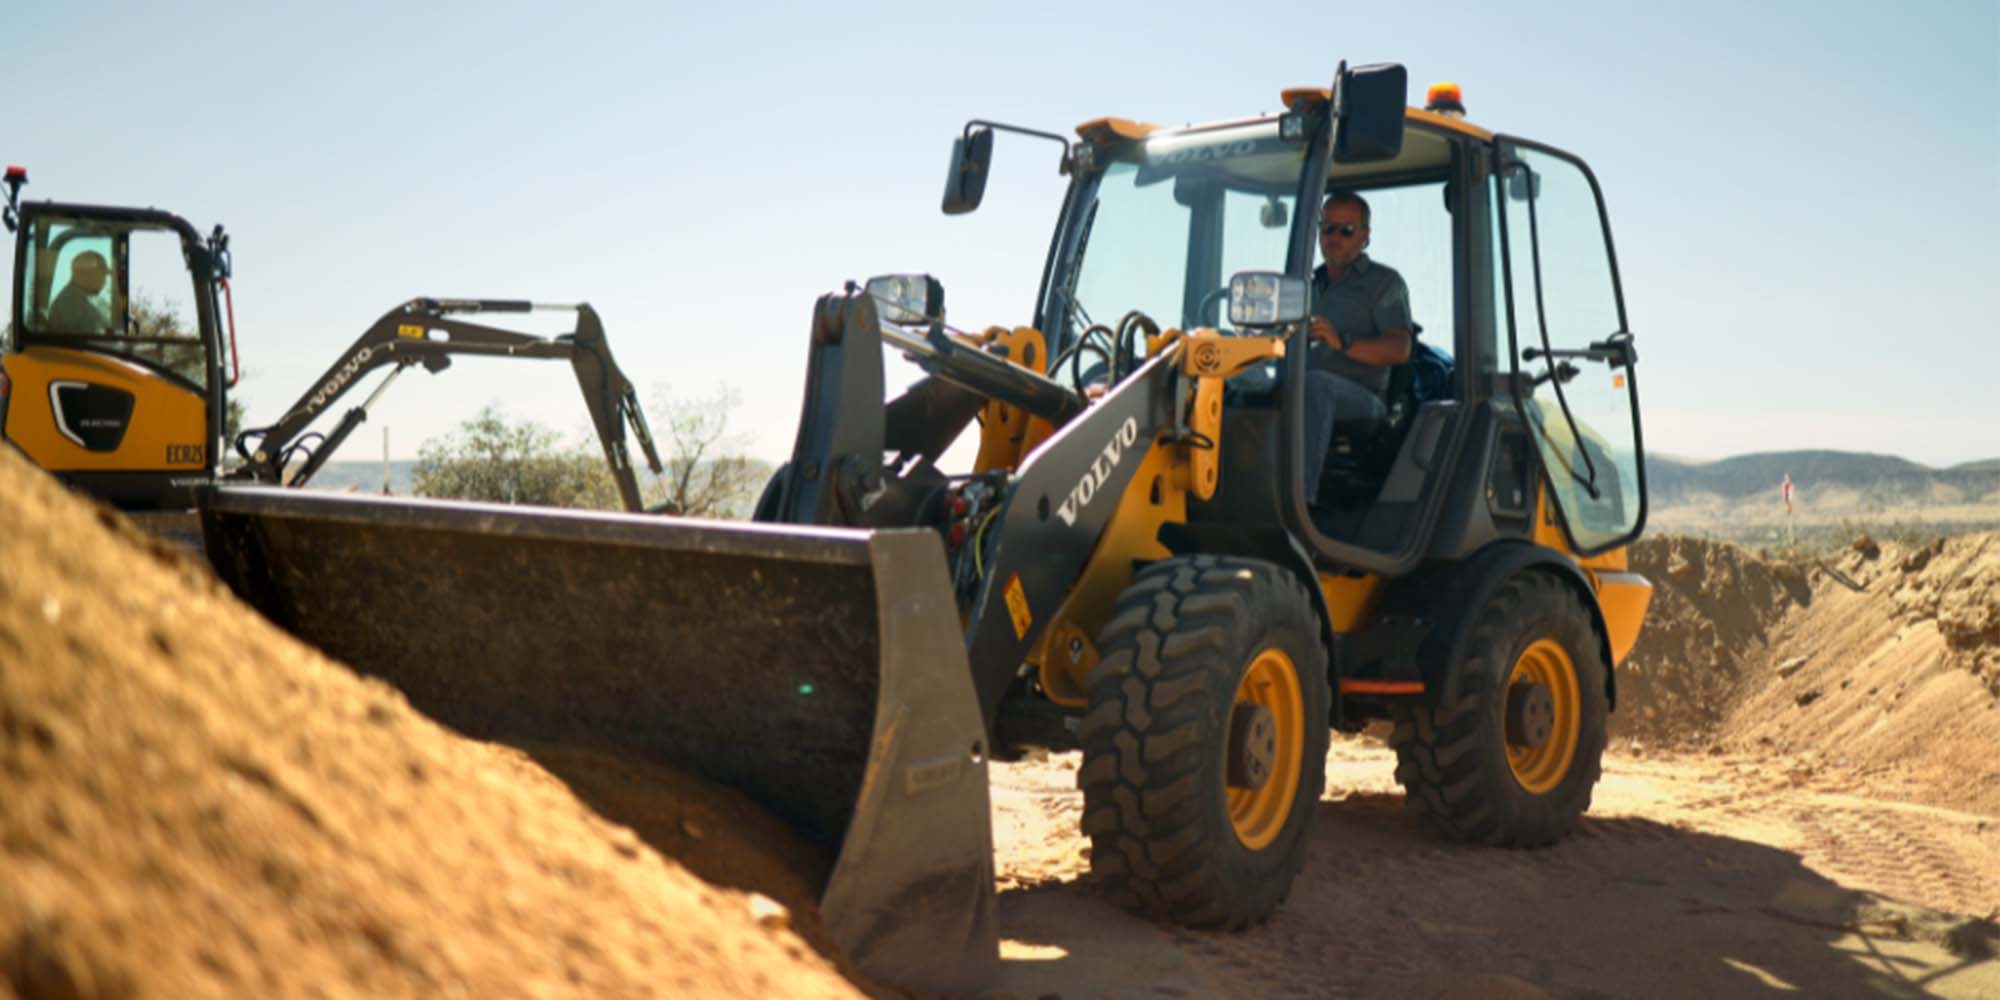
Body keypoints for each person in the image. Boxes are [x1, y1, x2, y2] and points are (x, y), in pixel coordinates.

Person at [1301, 191, 1412, 504]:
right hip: (1303, 391)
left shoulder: (1383, 284)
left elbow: (1399, 348)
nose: (1335, 237)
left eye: (1346, 230)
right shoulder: (1305, 285)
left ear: (1365, 236)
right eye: (1328, 228)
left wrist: (1342, 342)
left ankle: (1299, 500)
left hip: (1361, 402)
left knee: (1317, 385)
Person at [46, 251, 112, 334]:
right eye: (101, 275)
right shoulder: (71, 303)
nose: (104, 281)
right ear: (86, 274)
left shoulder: (77, 300)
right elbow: (89, 340)